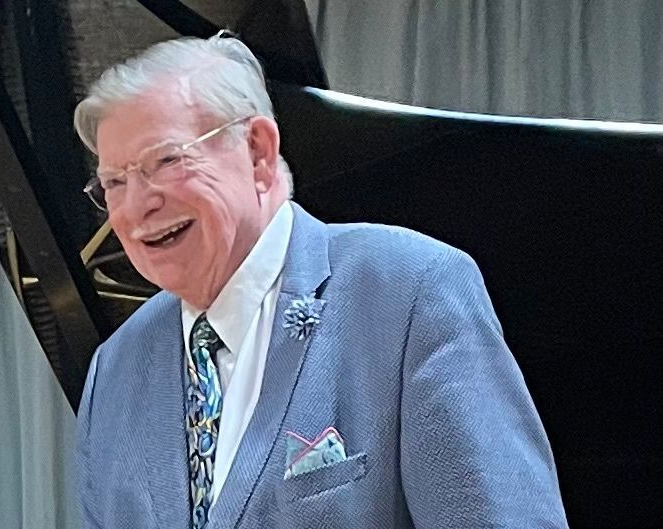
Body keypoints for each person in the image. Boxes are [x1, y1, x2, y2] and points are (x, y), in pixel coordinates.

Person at [72, 32, 568, 529]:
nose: (136, 207)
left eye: (165, 161)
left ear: (257, 151)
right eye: (115, 182)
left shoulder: (408, 292)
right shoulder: (114, 369)